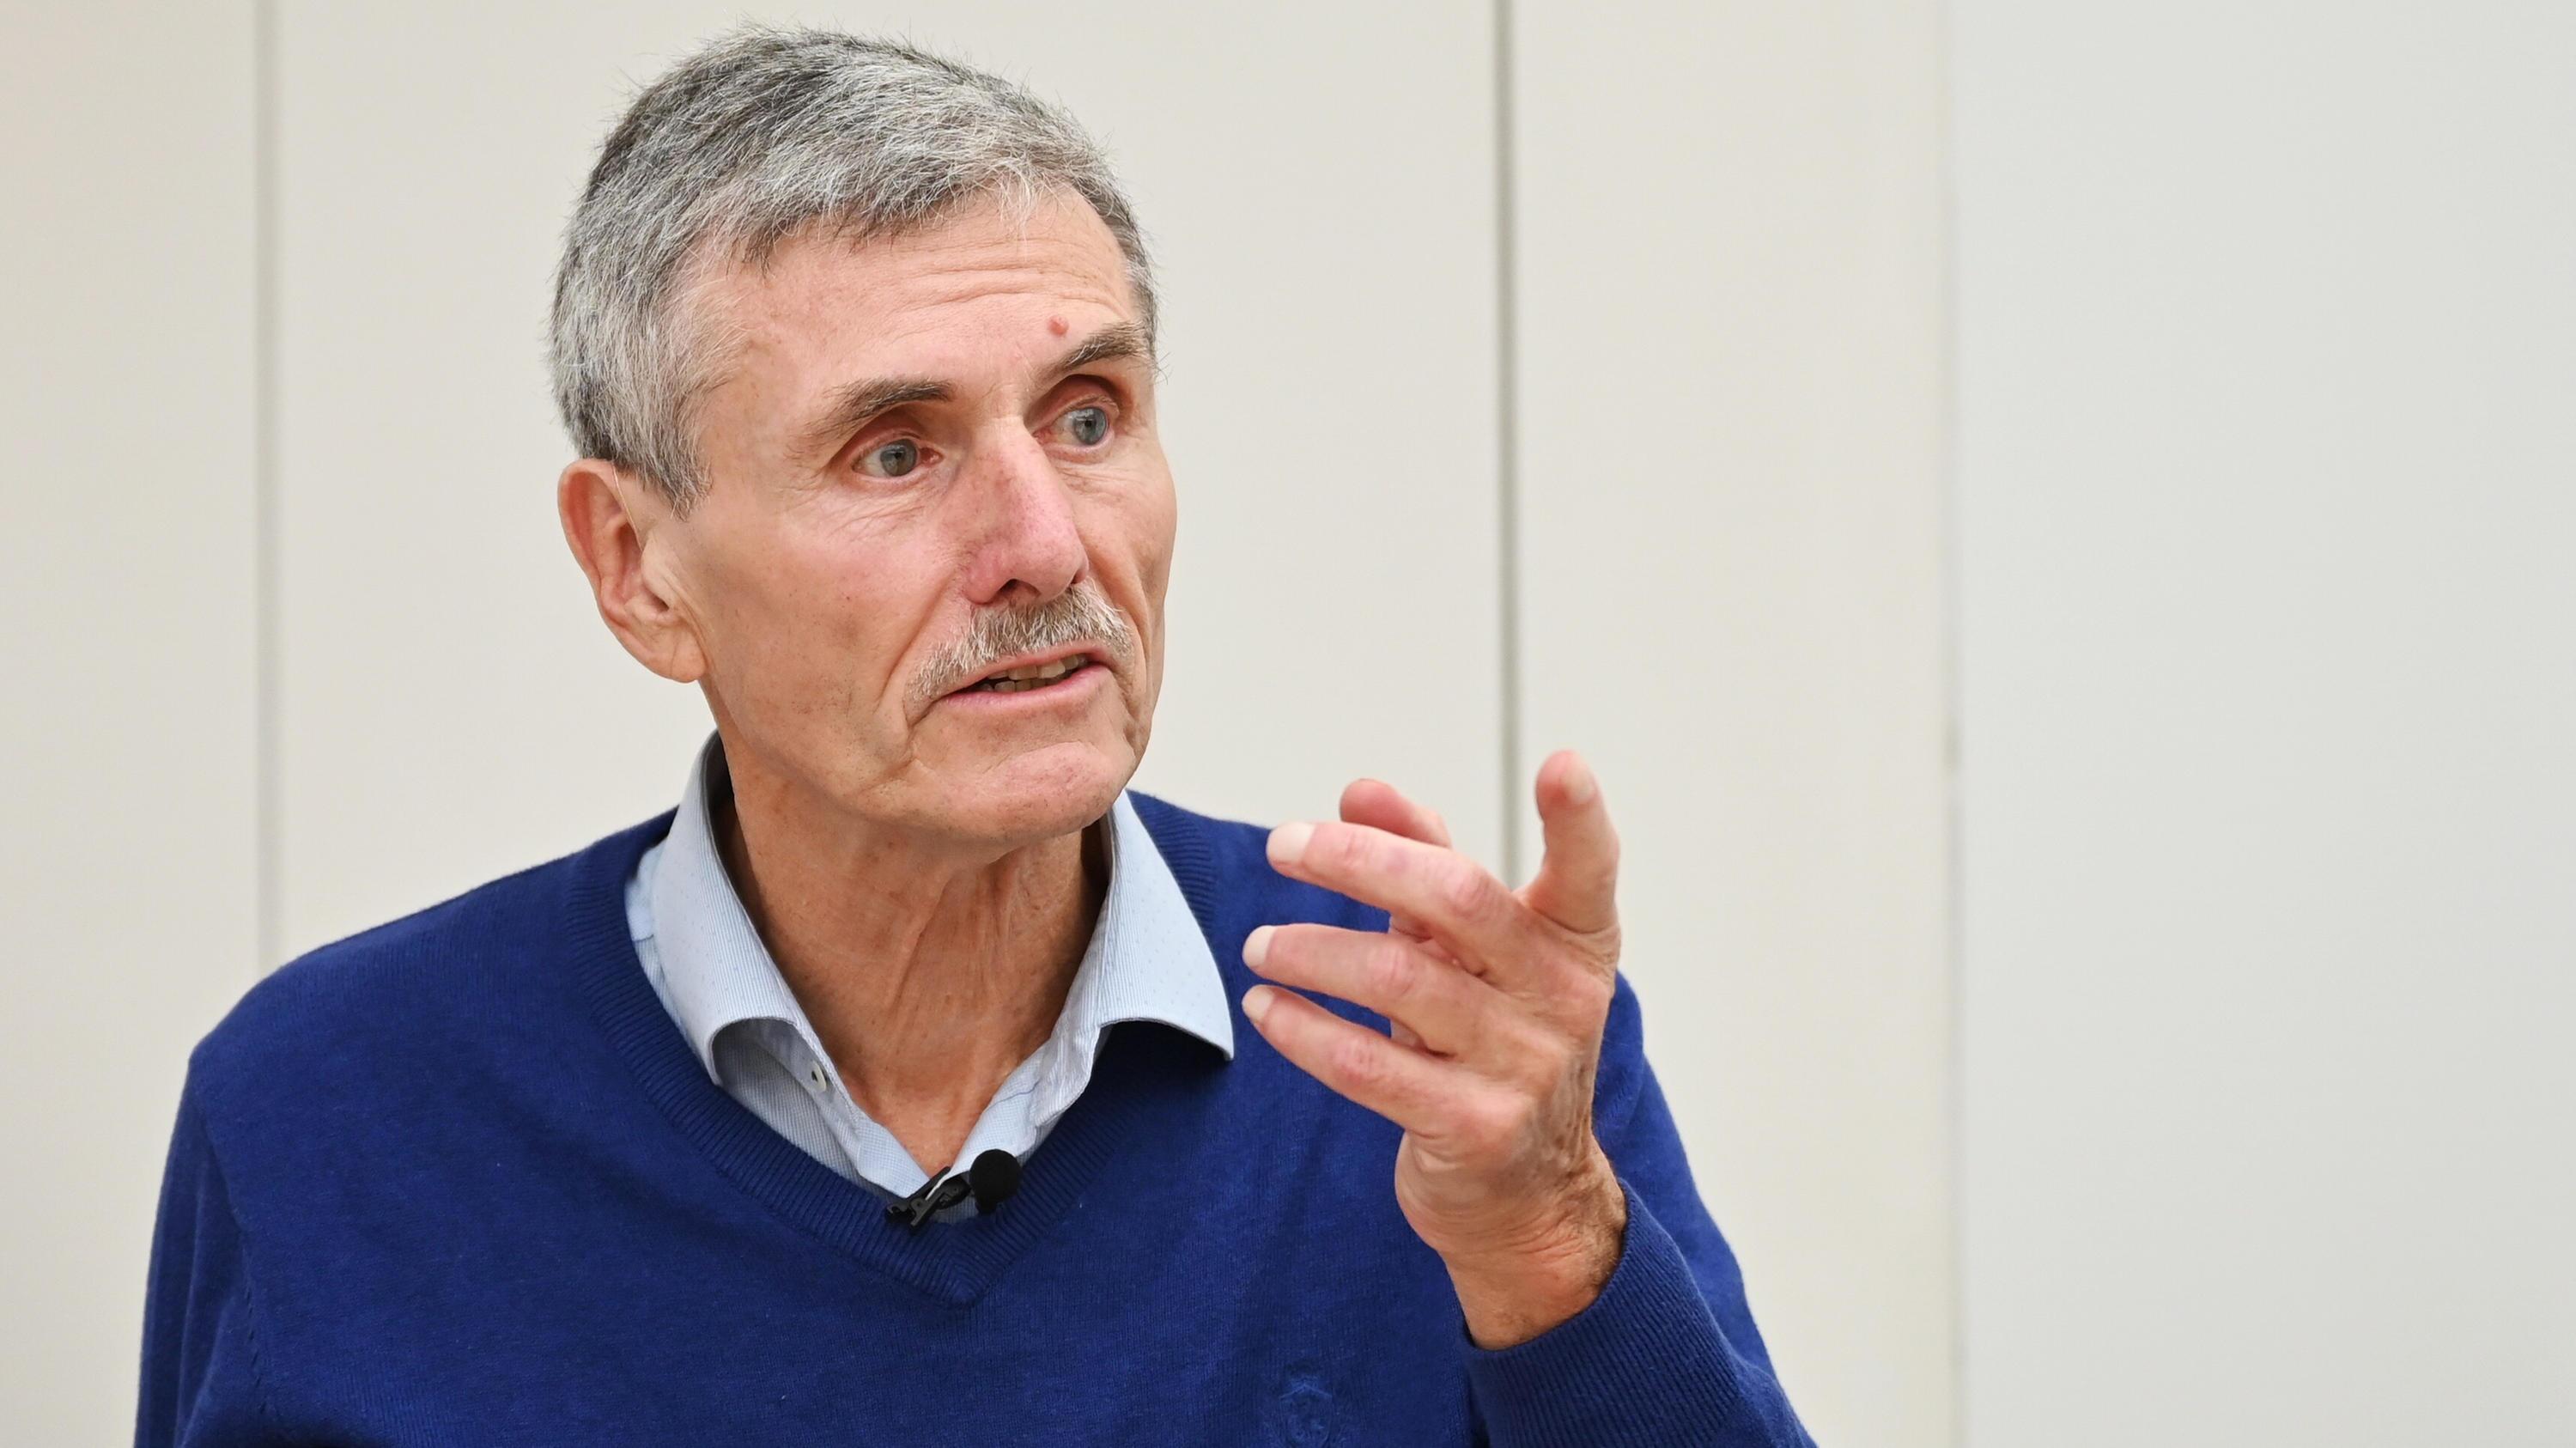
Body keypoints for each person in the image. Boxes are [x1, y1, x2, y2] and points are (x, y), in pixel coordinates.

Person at [135, 23, 1812, 1446]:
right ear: (638, 567)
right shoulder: (325, 1115)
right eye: (896, 451)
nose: (1046, 545)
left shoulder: (1452, 1058)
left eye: (1088, 416)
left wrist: (1552, 1247)